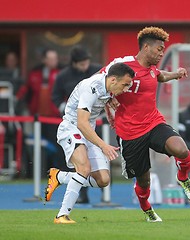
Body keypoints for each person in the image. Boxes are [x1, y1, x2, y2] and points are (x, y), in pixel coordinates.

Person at [103, 26, 190, 222]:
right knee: (144, 181)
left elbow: (159, 75)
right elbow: (98, 81)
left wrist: (176, 74)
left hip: (153, 123)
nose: (162, 52)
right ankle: (147, 209)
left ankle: (183, 177)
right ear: (146, 47)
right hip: (130, 132)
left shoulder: (152, 69)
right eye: (159, 49)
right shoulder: (123, 64)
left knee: (181, 149)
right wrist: (106, 98)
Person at [44, 63, 134, 224]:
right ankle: (61, 215)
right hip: (71, 128)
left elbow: (103, 93)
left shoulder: (108, 85)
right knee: (84, 169)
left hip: (87, 131)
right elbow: (82, 123)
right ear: (113, 79)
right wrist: (103, 145)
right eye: (125, 85)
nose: (126, 89)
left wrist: (109, 101)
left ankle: (60, 176)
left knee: (103, 180)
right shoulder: (91, 87)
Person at [52, 45, 102, 203]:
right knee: (80, 161)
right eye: (81, 63)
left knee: (99, 160)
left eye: (86, 62)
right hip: (74, 122)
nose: (85, 66)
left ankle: (104, 192)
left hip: (93, 121)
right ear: (73, 63)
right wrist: (65, 108)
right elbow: (56, 96)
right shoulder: (63, 76)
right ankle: (82, 193)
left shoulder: (97, 71)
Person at [16, 48, 64, 173]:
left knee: (58, 145)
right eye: (50, 59)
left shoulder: (62, 73)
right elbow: (27, 92)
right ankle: (41, 172)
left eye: (55, 59)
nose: (53, 61)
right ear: (44, 60)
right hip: (37, 117)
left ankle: (60, 171)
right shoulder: (35, 73)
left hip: (56, 117)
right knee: (40, 145)